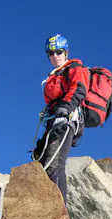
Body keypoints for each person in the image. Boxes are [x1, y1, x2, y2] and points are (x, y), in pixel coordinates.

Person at [35, 34, 89, 206]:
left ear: (66, 52)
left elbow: (79, 89)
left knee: (55, 163)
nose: (55, 56)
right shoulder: (54, 75)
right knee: (44, 162)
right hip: (54, 122)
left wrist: (65, 110)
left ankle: (59, 213)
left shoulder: (74, 68)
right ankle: (47, 208)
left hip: (68, 118)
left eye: (59, 51)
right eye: (51, 53)